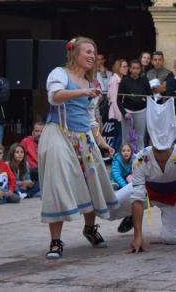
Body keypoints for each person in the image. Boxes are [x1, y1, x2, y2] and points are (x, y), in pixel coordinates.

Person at [39, 36, 118, 260]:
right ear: (74, 53)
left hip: (84, 137)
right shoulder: (59, 74)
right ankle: (55, 241)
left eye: (94, 52)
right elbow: (55, 97)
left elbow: (91, 118)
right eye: (87, 51)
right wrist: (82, 92)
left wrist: (101, 142)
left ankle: (90, 228)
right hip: (59, 132)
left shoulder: (93, 84)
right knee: (58, 182)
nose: (92, 55)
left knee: (91, 181)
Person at [115, 94, 176, 252]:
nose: (160, 150)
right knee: (111, 206)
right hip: (148, 192)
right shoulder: (141, 158)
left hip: (173, 196)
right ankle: (132, 217)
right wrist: (138, 236)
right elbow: (137, 196)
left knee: (172, 239)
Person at [119, 61, 151, 152]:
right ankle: (125, 158)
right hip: (127, 111)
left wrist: (144, 101)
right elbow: (118, 99)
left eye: (137, 68)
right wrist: (124, 112)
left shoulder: (144, 80)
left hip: (141, 111)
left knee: (140, 137)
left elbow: (150, 96)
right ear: (130, 69)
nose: (135, 70)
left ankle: (140, 158)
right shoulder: (125, 80)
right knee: (126, 137)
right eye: (133, 68)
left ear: (140, 69)